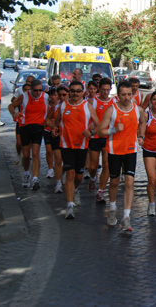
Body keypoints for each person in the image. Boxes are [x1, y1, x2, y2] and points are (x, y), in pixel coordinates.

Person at [97, 81, 146, 231]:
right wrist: (113, 130)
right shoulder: (112, 110)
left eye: (129, 94)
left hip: (131, 150)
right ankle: (112, 209)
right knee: (114, 182)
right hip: (114, 150)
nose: (126, 97)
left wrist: (141, 136)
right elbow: (100, 131)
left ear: (133, 94)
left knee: (130, 182)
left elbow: (143, 121)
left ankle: (126, 217)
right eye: (123, 94)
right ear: (118, 95)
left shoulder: (138, 110)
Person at [55, 81, 99, 219]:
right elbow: (56, 121)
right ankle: (69, 206)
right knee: (70, 174)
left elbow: (98, 125)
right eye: (73, 91)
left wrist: (90, 132)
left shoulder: (88, 106)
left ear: (83, 92)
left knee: (78, 177)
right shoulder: (63, 105)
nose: (75, 93)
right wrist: (56, 128)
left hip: (81, 145)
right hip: (66, 145)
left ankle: (76, 190)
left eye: (78, 91)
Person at [8, 79, 49, 191]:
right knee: (26, 154)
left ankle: (35, 178)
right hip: (25, 126)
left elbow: (51, 108)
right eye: (35, 90)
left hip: (39, 127)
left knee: (35, 153)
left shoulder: (45, 97)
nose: (38, 93)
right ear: (31, 89)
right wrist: (14, 113)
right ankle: (26, 173)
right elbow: (11, 106)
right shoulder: (24, 97)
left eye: (40, 90)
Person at [89, 78, 115, 202]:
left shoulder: (114, 102)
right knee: (93, 166)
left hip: (108, 137)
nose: (105, 92)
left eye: (107, 89)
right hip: (95, 137)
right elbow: (88, 121)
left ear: (110, 89)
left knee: (106, 164)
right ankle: (93, 178)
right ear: (99, 89)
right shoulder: (93, 102)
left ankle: (101, 191)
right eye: (103, 90)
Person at [46, 85, 68, 193]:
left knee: (67, 161)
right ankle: (58, 183)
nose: (62, 97)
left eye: (64, 95)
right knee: (58, 160)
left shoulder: (73, 106)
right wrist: (52, 126)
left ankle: (63, 173)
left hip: (68, 137)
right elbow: (47, 120)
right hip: (57, 135)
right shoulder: (55, 106)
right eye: (60, 95)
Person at [43, 87, 59, 179]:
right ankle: (50, 168)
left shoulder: (60, 105)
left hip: (56, 130)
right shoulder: (46, 105)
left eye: (55, 95)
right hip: (47, 129)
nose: (53, 97)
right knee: (49, 150)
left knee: (57, 152)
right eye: (51, 95)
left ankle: (58, 168)